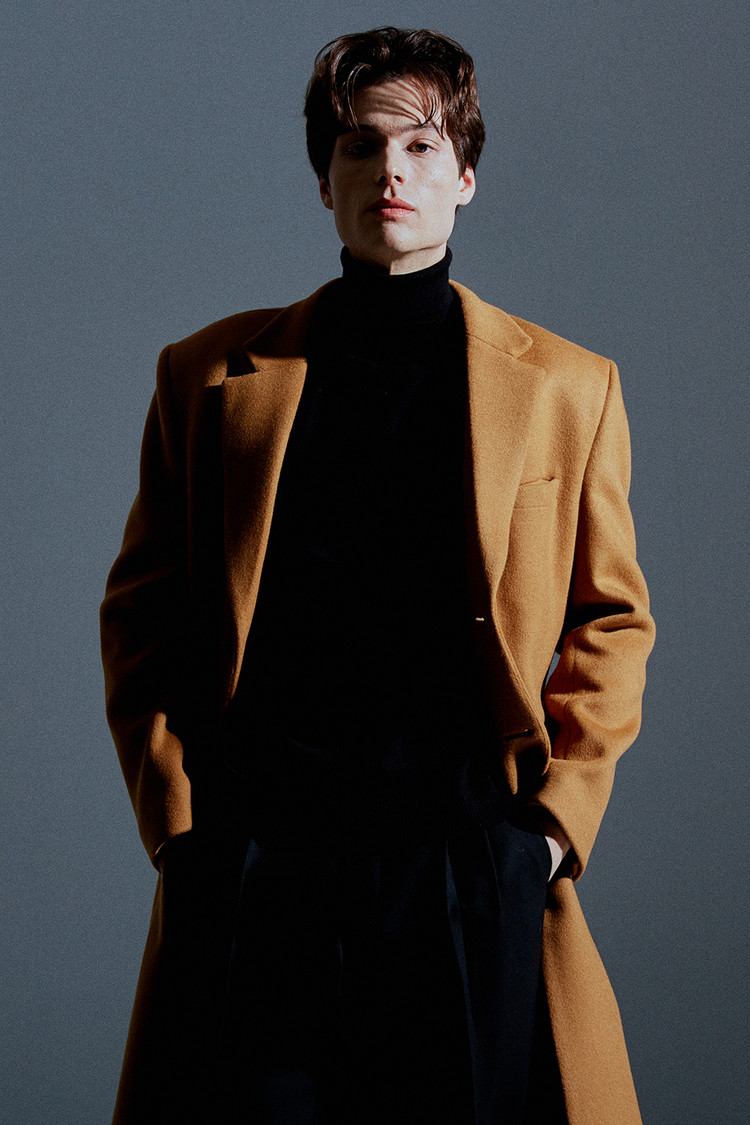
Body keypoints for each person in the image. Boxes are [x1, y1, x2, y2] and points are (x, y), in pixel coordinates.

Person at [100, 26, 655, 1125]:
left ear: (465, 175)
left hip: (466, 870)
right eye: (360, 146)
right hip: (262, 871)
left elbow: (613, 619)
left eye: (420, 145)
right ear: (326, 180)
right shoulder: (209, 377)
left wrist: (549, 830)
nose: (389, 171)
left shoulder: (567, 387)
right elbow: (141, 611)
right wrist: (183, 829)